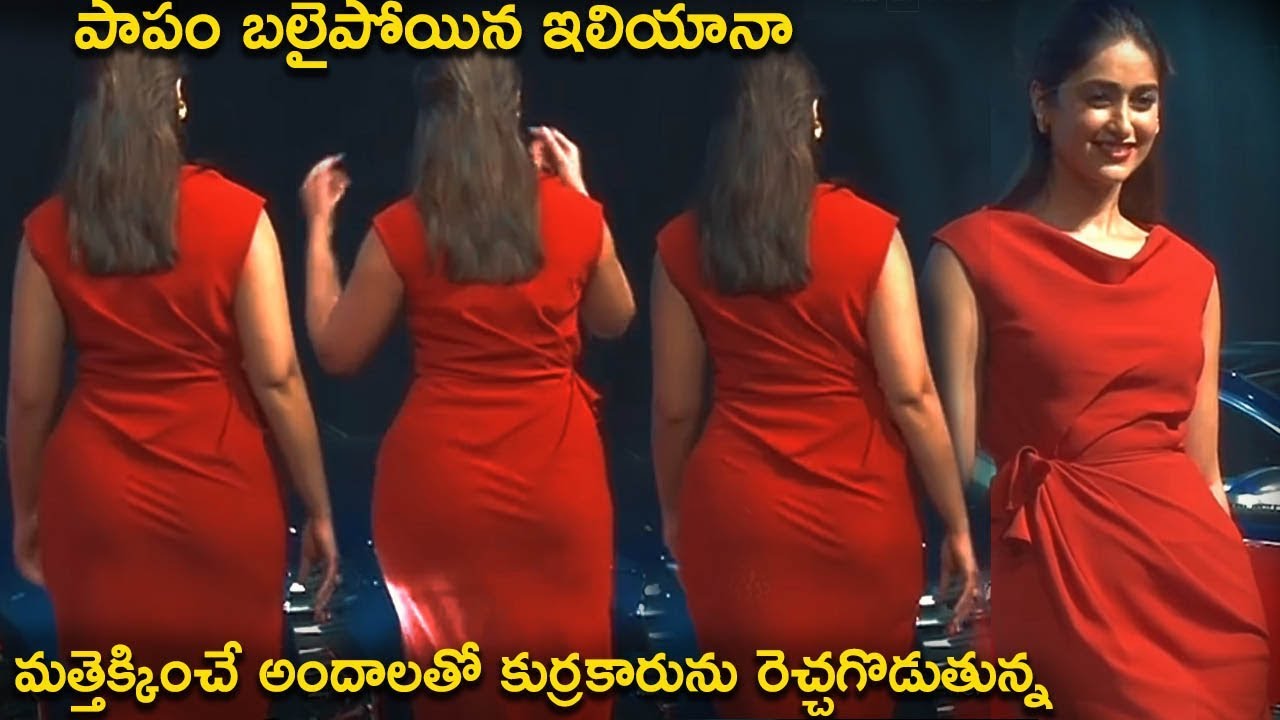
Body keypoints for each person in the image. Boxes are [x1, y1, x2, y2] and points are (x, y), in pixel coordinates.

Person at [923, 2, 1272, 718]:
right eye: (1099, 97)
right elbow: (952, 456)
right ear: (1043, 106)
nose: (1124, 122)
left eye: (1143, 100)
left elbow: (1205, 474)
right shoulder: (972, 255)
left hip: (1204, 596)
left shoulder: (1191, 274)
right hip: (1063, 581)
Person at [299, 54, 635, 720]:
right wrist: (578, 191)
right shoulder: (573, 216)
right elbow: (614, 318)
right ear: (513, 118)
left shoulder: (404, 226)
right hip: (556, 482)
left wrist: (317, 232)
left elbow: (337, 351)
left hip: (438, 489)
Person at [8, 50, 339, 719]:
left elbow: (30, 396)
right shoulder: (240, 216)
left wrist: (26, 510)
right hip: (221, 491)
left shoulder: (48, 229)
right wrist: (319, 507)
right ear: (178, 105)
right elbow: (277, 376)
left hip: (94, 498)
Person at [651, 51, 980, 720]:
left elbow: (676, 408)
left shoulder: (682, 244)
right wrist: (956, 522)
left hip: (736, 516)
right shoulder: (870, 233)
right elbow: (912, 394)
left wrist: (674, 510)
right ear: (816, 121)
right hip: (858, 517)